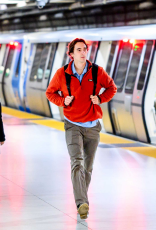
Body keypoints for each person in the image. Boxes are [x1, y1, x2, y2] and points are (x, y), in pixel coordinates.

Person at [45, 38, 117, 220]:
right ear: (71, 54)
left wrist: (100, 99)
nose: (83, 52)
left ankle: (81, 198)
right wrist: (63, 101)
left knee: (88, 167)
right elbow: (50, 93)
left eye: (85, 49)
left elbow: (111, 88)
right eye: (79, 50)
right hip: (72, 125)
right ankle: (82, 203)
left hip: (93, 126)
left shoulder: (97, 71)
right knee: (77, 162)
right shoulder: (62, 74)